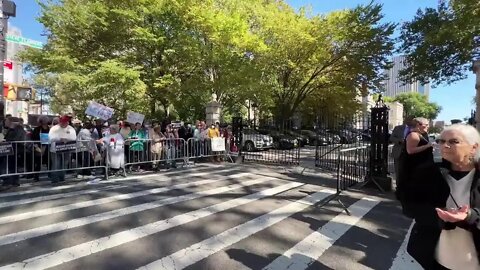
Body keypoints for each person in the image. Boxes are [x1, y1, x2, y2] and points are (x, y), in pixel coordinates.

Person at [405, 123, 480, 269]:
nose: (445, 146)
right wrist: (439, 217)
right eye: (441, 141)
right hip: (437, 258)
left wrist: (469, 216)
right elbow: (410, 207)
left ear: (474, 147)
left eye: (454, 141)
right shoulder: (430, 173)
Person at [48, 115, 77, 184]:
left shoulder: (71, 129)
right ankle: (55, 179)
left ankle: (62, 177)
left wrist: (67, 139)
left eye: (65, 122)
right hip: (55, 149)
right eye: (62, 122)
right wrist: (59, 139)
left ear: (67, 122)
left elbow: (74, 138)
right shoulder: (54, 128)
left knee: (64, 164)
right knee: (56, 164)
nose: (63, 124)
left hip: (67, 149)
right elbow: (50, 138)